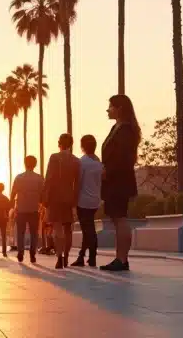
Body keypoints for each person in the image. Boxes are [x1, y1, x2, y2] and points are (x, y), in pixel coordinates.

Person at [100, 95, 141, 272]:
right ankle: (119, 257)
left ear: (120, 108)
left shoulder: (126, 130)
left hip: (119, 180)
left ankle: (122, 259)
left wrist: (107, 171)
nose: (108, 110)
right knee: (117, 219)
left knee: (121, 217)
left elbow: (122, 158)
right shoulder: (116, 128)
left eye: (110, 106)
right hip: (113, 180)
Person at [44, 134, 81, 269]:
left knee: (57, 227)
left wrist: (45, 197)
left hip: (55, 197)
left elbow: (49, 178)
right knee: (68, 229)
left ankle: (59, 257)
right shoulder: (76, 161)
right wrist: (75, 199)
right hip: (69, 196)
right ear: (71, 144)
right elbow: (77, 183)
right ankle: (66, 256)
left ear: (59, 143)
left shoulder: (55, 158)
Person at [72, 135, 103, 267]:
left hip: (83, 201)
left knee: (88, 230)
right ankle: (84, 255)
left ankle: (91, 257)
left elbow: (78, 182)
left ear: (82, 146)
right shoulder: (99, 163)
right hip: (95, 201)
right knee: (89, 228)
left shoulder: (82, 162)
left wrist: (74, 200)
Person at [11, 155, 44, 264]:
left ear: (25, 164)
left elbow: (13, 193)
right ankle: (32, 254)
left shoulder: (19, 178)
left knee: (21, 232)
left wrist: (11, 207)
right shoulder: (39, 178)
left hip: (21, 210)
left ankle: (20, 252)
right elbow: (43, 195)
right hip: (34, 210)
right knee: (34, 233)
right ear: (35, 165)